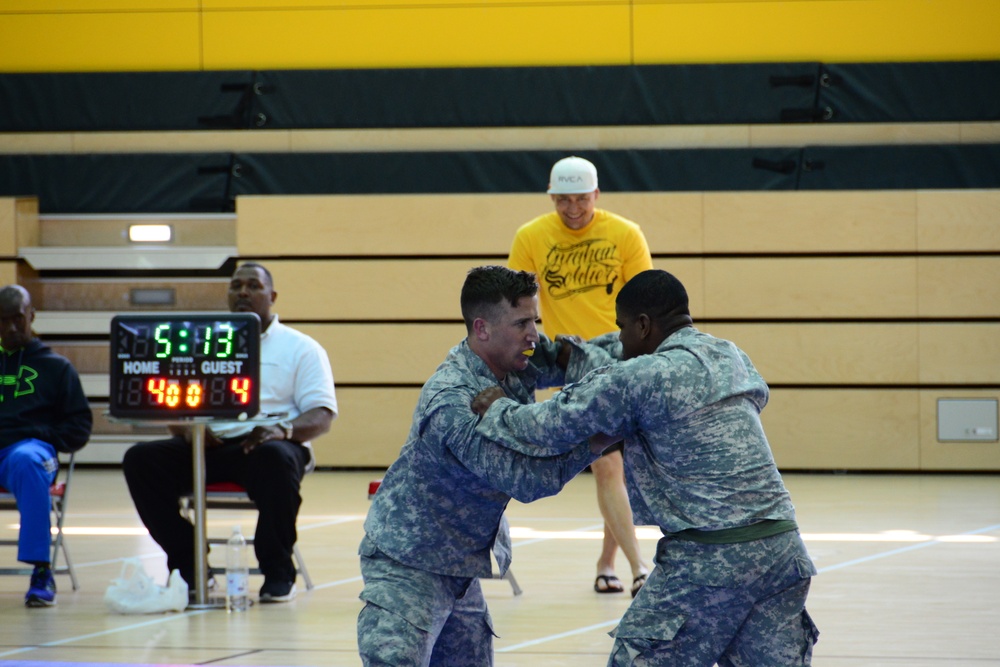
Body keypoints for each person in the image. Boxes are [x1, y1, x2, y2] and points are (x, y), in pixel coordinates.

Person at [474, 269, 820, 666]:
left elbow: (552, 425)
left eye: (622, 327)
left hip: (710, 557)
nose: (620, 338)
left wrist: (498, 408)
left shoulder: (644, 375)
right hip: (783, 553)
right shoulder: (730, 355)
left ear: (643, 325)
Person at [357, 265, 606, 666]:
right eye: (522, 322)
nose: (534, 334)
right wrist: (599, 439)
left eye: (535, 321)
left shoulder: (515, 358)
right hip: (409, 564)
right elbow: (527, 480)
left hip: (458, 566)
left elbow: (594, 362)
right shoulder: (452, 401)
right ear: (482, 328)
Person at [122, 262, 337, 603]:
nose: (243, 293)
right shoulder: (199, 342)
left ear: (273, 296)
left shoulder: (302, 348)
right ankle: (189, 564)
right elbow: (173, 404)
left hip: (268, 446)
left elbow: (322, 415)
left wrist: (282, 429)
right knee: (140, 459)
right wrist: (187, 428)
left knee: (276, 459)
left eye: (253, 286)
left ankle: (277, 571)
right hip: (206, 445)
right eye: (236, 286)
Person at [508, 155, 652, 596]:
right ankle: (639, 567)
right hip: (570, 363)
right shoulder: (531, 236)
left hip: (620, 359)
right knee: (606, 462)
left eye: (582, 200)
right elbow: (516, 302)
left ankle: (607, 561)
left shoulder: (625, 234)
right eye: (563, 200)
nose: (573, 209)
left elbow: (646, 302)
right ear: (551, 197)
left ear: (597, 196)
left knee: (617, 467)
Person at [0, 285, 92, 607]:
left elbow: (80, 425)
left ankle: (41, 571)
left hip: (29, 451)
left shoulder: (57, 368)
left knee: (27, 460)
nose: (11, 328)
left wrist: (42, 435)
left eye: (18, 319)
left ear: (32, 316)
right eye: (3, 321)